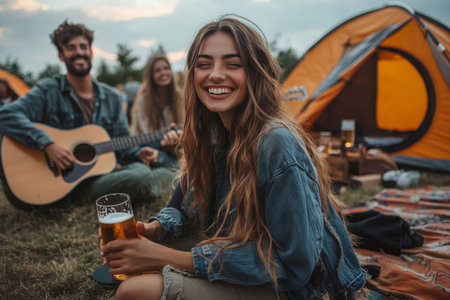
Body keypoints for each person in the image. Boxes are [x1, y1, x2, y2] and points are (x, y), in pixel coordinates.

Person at [100, 16, 366, 300]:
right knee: (139, 270)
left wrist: (163, 257)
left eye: (232, 64)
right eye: (204, 64)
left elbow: (296, 265)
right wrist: (155, 230)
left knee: (135, 291)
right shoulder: (213, 132)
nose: (215, 74)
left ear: (255, 72)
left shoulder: (276, 143)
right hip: (240, 259)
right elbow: (183, 207)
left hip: (299, 290)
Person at [0, 20, 177, 205]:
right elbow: (5, 114)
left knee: (149, 171)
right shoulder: (48, 91)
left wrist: (139, 153)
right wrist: (47, 144)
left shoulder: (113, 97)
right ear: (61, 55)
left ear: (91, 52)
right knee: (140, 177)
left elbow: (123, 147)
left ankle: (160, 182)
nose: (79, 52)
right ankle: (152, 185)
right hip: (63, 182)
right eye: (70, 48)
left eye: (83, 46)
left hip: (102, 176)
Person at [129, 54, 183, 171]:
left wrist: (177, 141)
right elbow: (138, 137)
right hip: (152, 152)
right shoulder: (142, 102)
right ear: (151, 76)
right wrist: (162, 144)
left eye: (166, 68)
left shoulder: (180, 98)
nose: (163, 73)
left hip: (179, 152)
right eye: (157, 70)